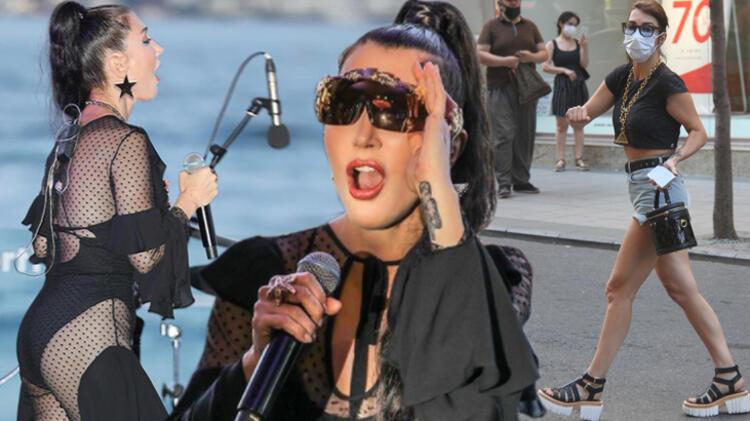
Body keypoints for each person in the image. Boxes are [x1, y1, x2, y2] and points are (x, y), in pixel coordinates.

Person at [169, 1, 538, 420]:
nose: (363, 135)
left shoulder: (495, 281)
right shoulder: (263, 271)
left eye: (395, 108)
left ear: (450, 144)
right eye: (343, 102)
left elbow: (474, 407)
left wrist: (437, 186)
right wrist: (253, 364)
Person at [536, 1, 749, 420]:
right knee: (676, 289)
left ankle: (591, 387)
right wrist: (577, 113)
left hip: (660, 190)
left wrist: (677, 158)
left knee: (622, 288)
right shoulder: (622, 77)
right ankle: (729, 379)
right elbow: (588, 112)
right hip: (642, 190)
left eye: (646, 28)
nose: (636, 34)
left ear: (662, 36)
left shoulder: (668, 83)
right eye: (631, 25)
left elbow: (699, 132)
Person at [15, 2, 218, 420]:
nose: (158, 49)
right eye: (146, 40)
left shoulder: (69, 138)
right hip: (89, 337)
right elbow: (146, 258)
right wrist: (188, 201)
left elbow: (45, 246)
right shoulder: (125, 141)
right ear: (117, 63)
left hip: (40, 335)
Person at [477, 0, 548, 199]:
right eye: (510, 0)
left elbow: (544, 53)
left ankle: (521, 180)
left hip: (526, 88)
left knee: (525, 133)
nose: (514, 3)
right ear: (501, 3)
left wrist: (530, 57)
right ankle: (504, 182)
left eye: (517, 0)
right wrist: (504, 62)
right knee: (504, 134)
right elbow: (479, 54)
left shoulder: (530, 26)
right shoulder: (491, 26)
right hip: (499, 87)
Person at [542, 11, 590, 172]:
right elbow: (545, 66)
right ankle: (560, 159)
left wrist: (584, 47)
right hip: (562, 85)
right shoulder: (552, 44)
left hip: (578, 85)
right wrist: (563, 70)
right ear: (561, 23)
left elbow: (584, 64)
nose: (572, 27)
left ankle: (579, 158)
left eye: (575, 25)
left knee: (578, 123)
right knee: (561, 125)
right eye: (570, 24)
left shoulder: (578, 43)